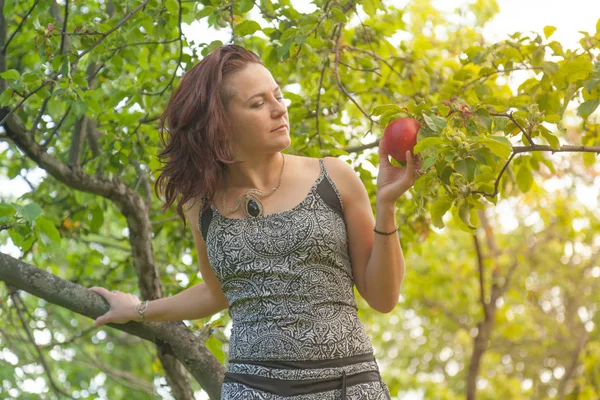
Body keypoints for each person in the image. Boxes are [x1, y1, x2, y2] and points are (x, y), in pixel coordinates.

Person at [88, 44, 421, 399]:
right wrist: (138, 310)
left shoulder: (333, 177)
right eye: (258, 104)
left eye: (277, 96)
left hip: (349, 388)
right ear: (221, 123)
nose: (279, 109)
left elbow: (384, 298)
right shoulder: (201, 206)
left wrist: (387, 205)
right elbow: (217, 292)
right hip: (254, 391)